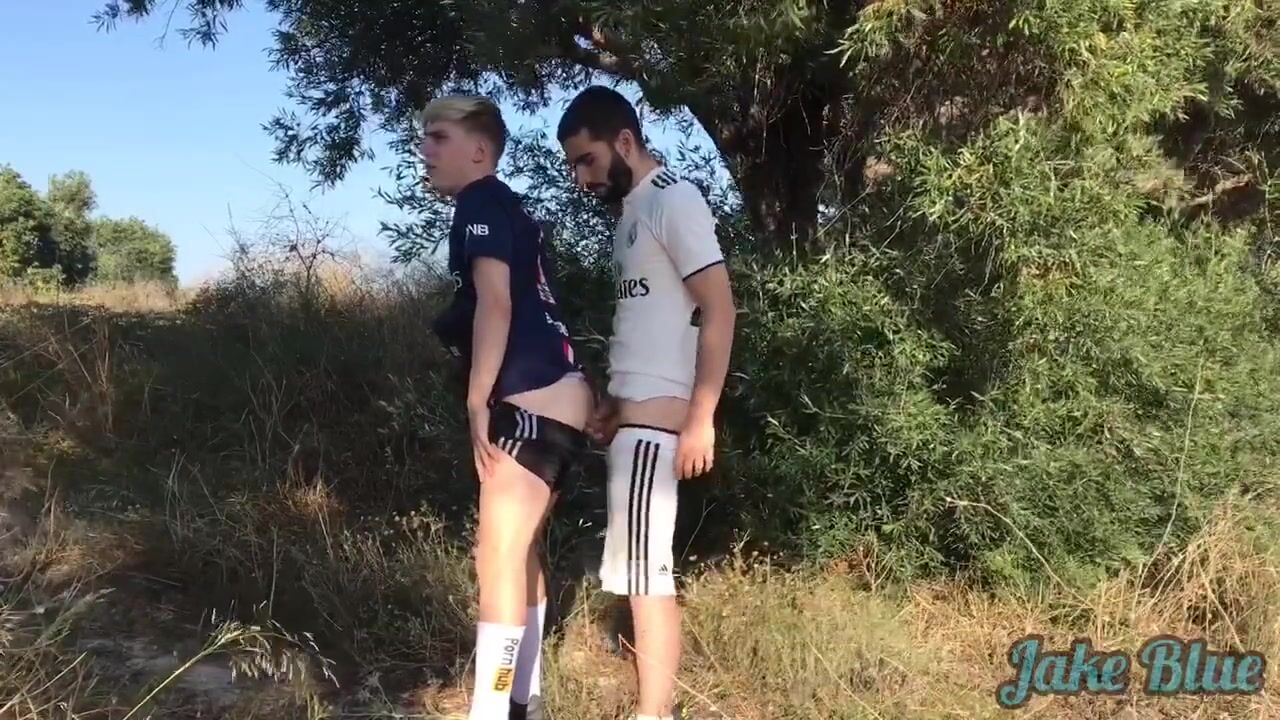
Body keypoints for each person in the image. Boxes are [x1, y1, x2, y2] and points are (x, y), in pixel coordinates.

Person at [556, 86, 737, 720]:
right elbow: (652, 329)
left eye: (587, 160)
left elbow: (720, 310)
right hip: (631, 428)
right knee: (640, 577)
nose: (582, 178)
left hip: (658, 435)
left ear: (625, 141)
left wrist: (702, 419)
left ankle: (653, 713)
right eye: (574, 165)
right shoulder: (631, 215)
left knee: (645, 580)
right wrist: (612, 404)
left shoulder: (672, 200)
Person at [420, 95, 593, 720]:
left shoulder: (480, 202)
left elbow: (496, 303)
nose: (425, 150)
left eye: (438, 137)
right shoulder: (509, 206)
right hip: (560, 394)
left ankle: (491, 710)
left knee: (494, 559)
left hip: (529, 395)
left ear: (478, 150)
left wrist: (476, 399)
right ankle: (525, 698)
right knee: (520, 553)